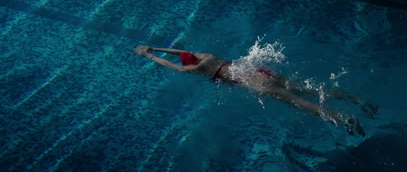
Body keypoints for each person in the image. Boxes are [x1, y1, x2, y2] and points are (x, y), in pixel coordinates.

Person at [134, 46, 378, 136]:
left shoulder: (194, 69)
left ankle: (345, 117)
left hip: (258, 84)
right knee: (308, 90)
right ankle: (353, 98)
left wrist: (149, 55)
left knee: (301, 103)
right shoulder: (207, 55)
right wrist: (155, 46)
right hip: (259, 71)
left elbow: (170, 64)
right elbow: (179, 53)